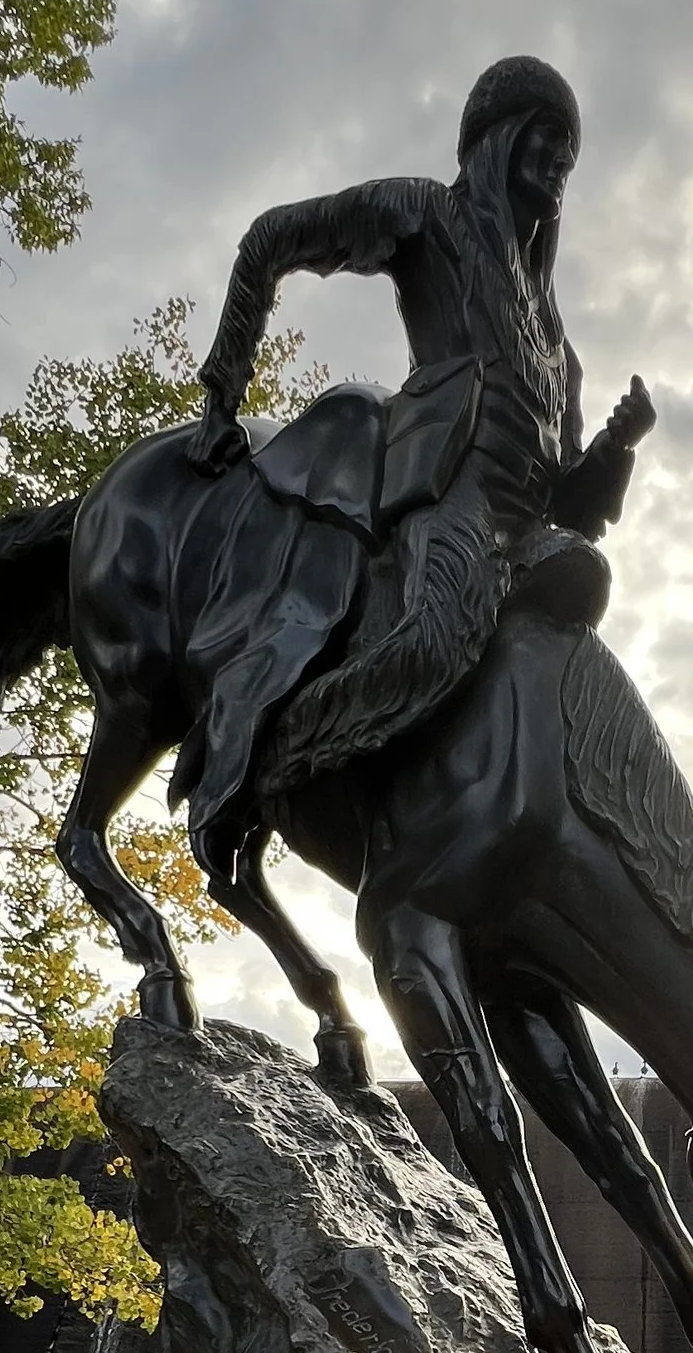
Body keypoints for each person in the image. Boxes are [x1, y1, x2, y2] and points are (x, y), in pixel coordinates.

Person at [180, 55, 655, 875]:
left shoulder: (559, 348)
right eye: (547, 144)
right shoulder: (427, 215)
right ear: (500, 141)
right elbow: (271, 240)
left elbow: (568, 503)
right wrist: (225, 390)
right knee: (440, 636)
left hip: (525, 542)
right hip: (452, 506)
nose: (558, 170)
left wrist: (616, 444)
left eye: (569, 159)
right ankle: (264, 755)